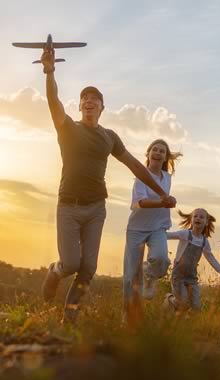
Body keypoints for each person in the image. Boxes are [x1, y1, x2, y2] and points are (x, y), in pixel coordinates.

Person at [39, 46, 176, 323]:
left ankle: (70, 319)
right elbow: (53, 101)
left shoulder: (110, 137)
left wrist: (162, 192)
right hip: (68, 205)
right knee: (71, 264)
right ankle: (55, 271)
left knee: (88, 267)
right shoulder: (67, 128)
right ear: (80, 106)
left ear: (102, 107)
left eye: (95, 99)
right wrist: (50, 70)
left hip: (96, 208)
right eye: (84, 99)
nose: (89, 101)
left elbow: (136, 165)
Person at [123, 139, 182, 323]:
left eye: (162, 151)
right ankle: (129, 319)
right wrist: (163, 202)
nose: (157, 153)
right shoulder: (141, 176)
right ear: (148, 154)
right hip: (136, 229)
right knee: (130, 278)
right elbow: (140, 203)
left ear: (165, 157)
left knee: (162, 260)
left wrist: (166, 203)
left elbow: (164, 199)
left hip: (158, 227)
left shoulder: (167, 178)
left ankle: (149, 274)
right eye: (154, 150)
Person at [164, 208, 220, 311]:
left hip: (192, 277)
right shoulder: (185, 234)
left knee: (197, 307)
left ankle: (186, 320)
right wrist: (154, 232)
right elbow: (167, 235)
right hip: (178, 275)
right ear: (191, 220)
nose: (198, 218)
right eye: (195, 216)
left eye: (202, 217)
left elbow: (212, 260)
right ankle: (169, 299)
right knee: (183, 303)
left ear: (206, 222)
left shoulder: (204, 242)